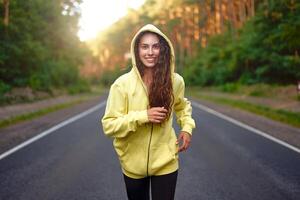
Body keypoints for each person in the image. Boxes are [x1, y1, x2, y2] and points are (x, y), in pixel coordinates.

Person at [101, 24, 196, 200]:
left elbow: (182, 106)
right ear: (136, 50)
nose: (150, 52)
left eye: (155, 46)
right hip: (132, 166)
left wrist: (186, 127)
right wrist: (143, 116)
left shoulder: (175, 81)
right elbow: (109, 125)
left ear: (163, 49)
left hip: (166, 161)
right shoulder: (122, 85)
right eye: (144, 47)